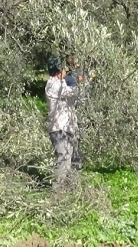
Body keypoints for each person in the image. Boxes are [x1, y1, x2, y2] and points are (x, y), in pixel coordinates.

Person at [45, 58, 81, 187]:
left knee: (74, 160)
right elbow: (74, 92)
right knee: (64, 160)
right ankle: (57, 192)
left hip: (67, 127)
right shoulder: (54, 85)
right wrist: (83, 81)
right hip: (59, 128)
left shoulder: (60, 83)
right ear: (60, 70)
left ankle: (72, 189)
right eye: (64, 68)